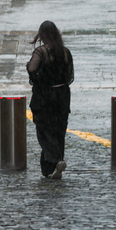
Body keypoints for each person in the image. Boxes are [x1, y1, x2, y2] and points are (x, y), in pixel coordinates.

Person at [26, 20, 74, 179]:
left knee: (44, 131)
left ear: (42, 35)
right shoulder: (65, 52)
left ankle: (56, 159)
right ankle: (50, 170)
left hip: (45, 97)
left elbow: (32, 68)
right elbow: (70, 76)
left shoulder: (41, 52)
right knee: (58, 130)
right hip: (62, 96)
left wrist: (36, 76)